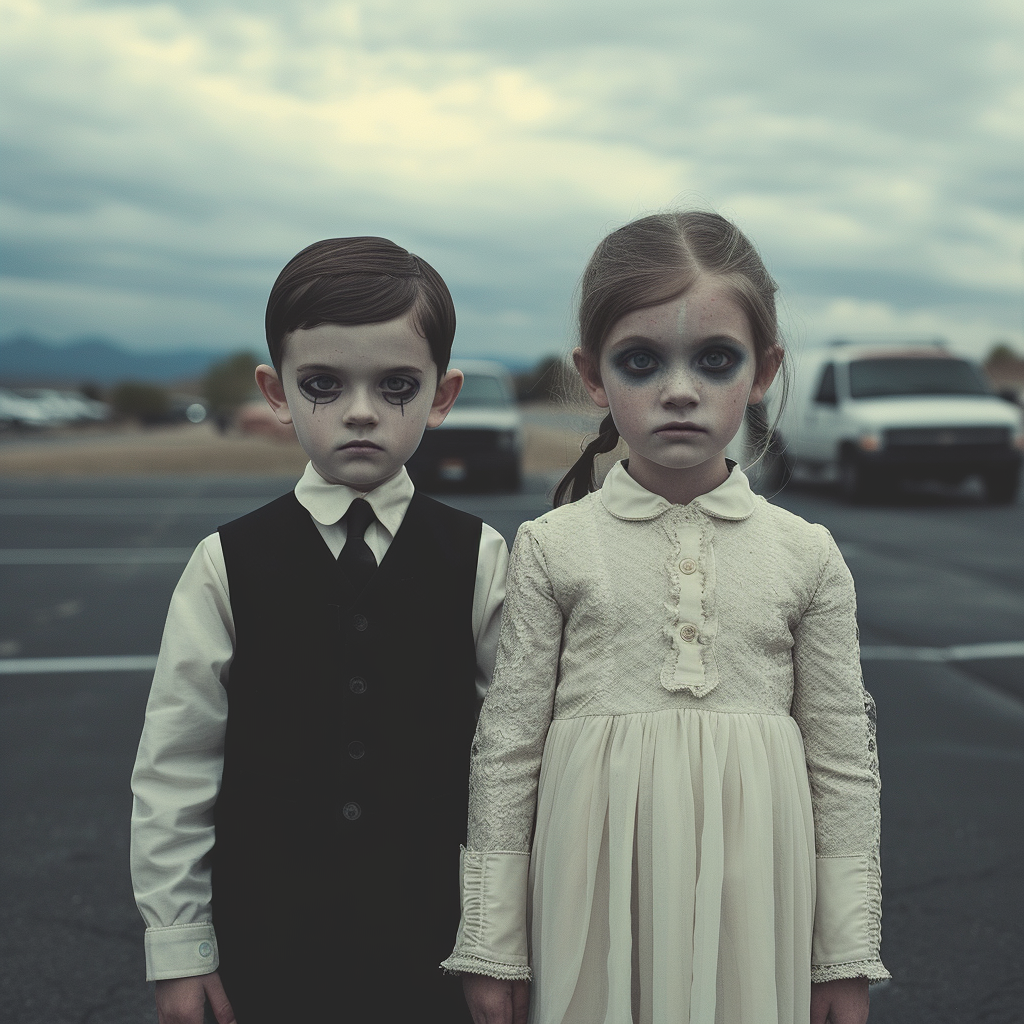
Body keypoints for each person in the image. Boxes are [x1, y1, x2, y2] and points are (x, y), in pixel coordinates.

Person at [442, 211, 889, 1024]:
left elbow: (842, 766)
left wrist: (844, 954)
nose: (679, 390)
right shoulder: (551, 546)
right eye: (641, 361)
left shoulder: (808, 554)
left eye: (715, 360)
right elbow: (506, 751)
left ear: (762, 371)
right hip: (591, 885)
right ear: (592, 374)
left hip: (758, 890)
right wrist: (494, 938)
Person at [131, 236, 508, 1024]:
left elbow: (510, 771)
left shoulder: (482, 557)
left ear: (442, 395)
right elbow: (176, 768)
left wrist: (500, 941)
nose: (361, 410)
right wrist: (180, 945)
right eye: (324, 385)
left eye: (397, 384)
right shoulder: (223, 563)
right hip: (266, 950)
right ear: (276, 392)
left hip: (436, 949)